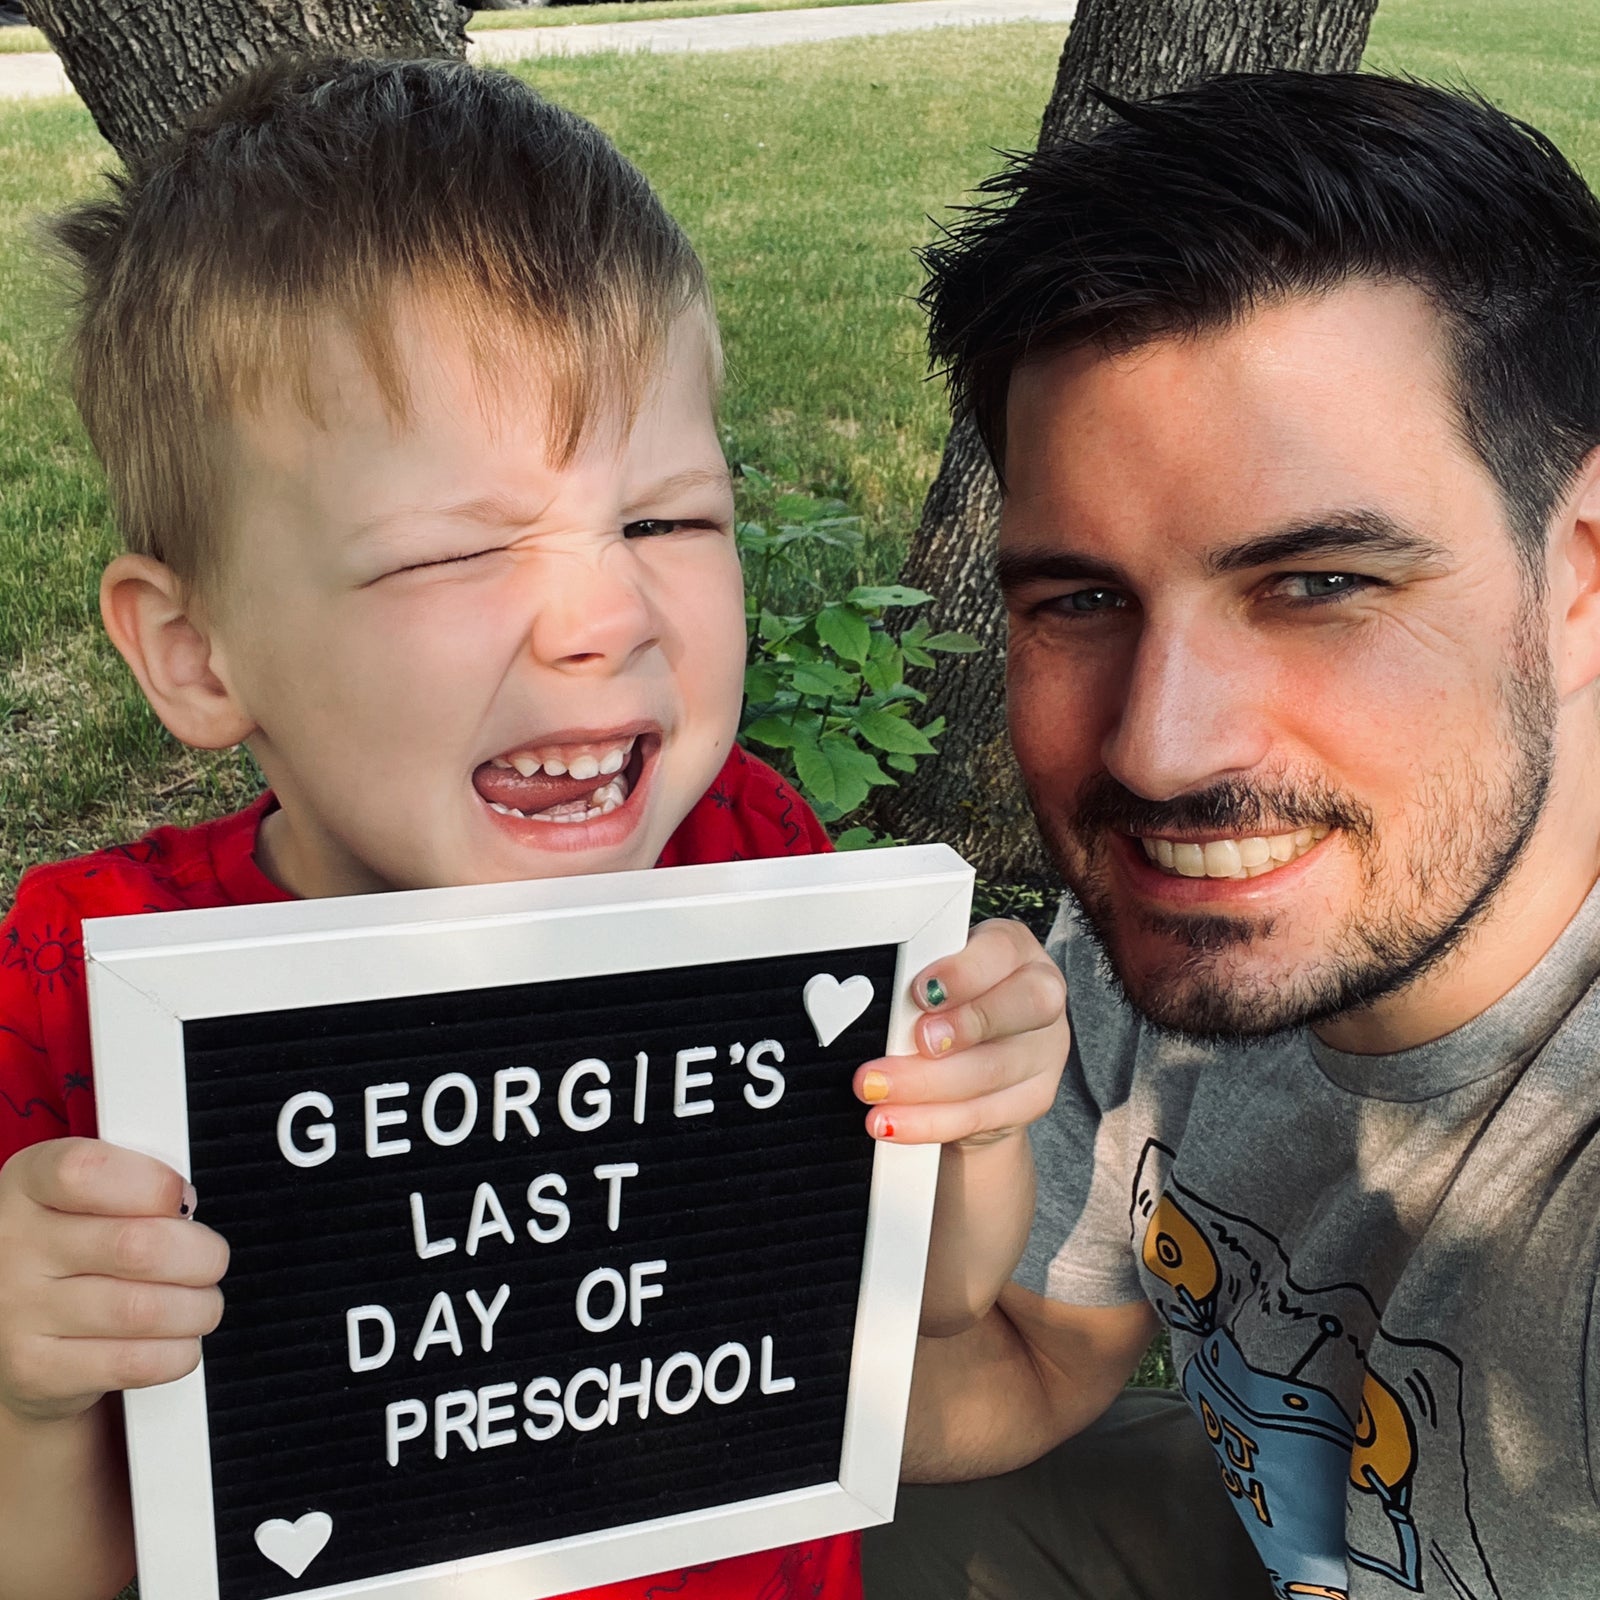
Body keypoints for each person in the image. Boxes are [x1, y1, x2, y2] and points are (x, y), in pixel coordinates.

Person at [0, 58, 1069, 1600]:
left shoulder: (745, 861)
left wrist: (972, 1119)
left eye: (666, 519)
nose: (605, 617)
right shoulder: (84, 989)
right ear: (197, 654)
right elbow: (67, 1569)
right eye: (456, 551)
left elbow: (937, 1301)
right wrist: (34, 1390)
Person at [862, 70, 1600, 1600]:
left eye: (1317, 584)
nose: (1158, 748)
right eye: (1080, 598)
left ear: (1582, 569)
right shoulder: (1187, 913)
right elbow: (1036, 1363)